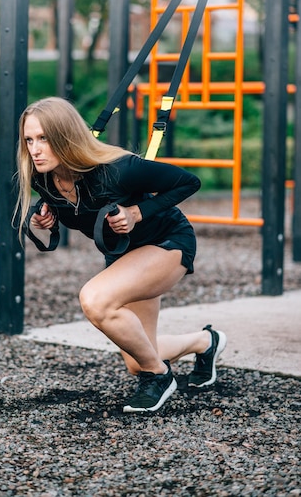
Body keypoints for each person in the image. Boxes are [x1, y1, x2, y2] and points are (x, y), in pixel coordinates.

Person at [15, 96, 227, 413]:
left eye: (43, 138)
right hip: (127, 257)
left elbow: (188, 182)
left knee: (95, 298)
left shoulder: (118, 170)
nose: (35, 148)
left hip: (167, 243)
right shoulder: (43, 177)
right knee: (139, 356)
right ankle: (205, 343)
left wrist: (137, 213)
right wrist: (50, 218)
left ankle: (159, 378)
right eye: (29, 140)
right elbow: (79, 209)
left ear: (64, 135)